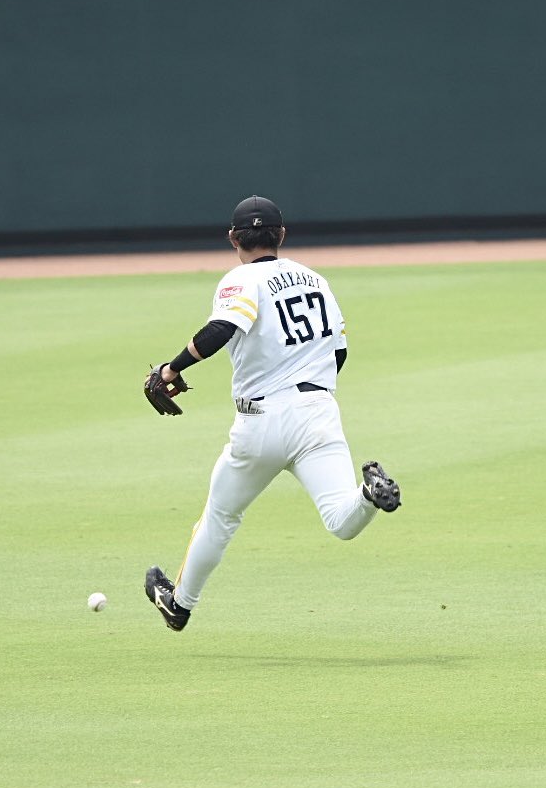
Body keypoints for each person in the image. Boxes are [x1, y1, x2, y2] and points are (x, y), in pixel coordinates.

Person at [144, 195, 401, 632]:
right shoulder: (314, 279)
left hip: (261, 422)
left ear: (232, 238)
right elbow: (338, 351)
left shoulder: (240, 280)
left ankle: (180, 605)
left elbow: (223, 328)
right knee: (341, 519)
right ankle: (368, 494)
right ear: (281, 235)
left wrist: (170, 368)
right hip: (318, 413)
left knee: (221, 517)